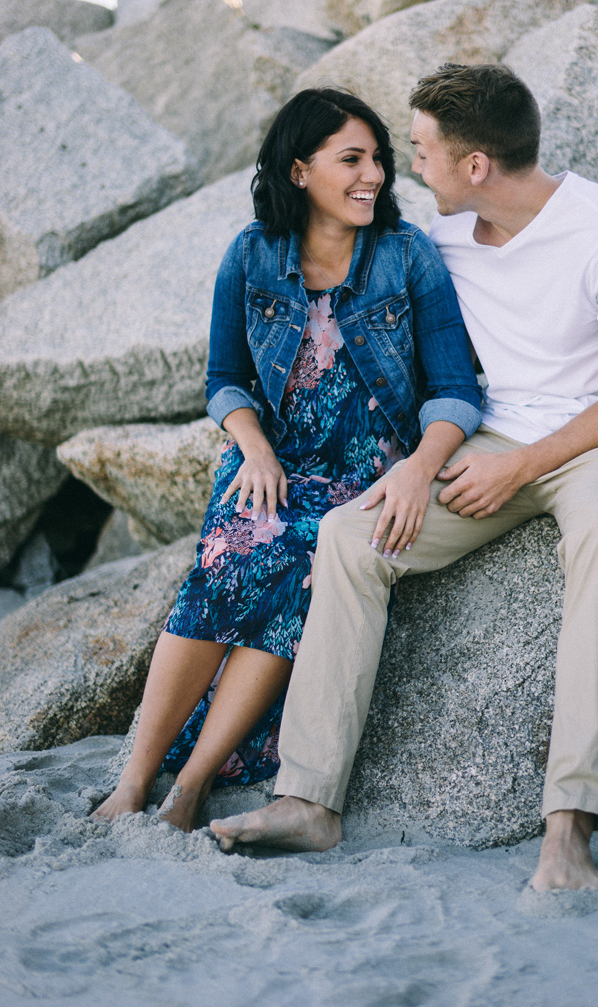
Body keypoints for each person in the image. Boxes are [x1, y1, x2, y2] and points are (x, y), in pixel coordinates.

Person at [209, 64, 598, 893]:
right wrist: (430, 464)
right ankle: (309, 799)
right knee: (353, 536)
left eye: (420, 152)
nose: (404, 171)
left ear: (476, 166)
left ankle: (569, 824)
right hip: (488, 435)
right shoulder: (444, 237)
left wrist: (522, 468)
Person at [92, 87, 482, 832]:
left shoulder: (407, 258)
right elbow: (224, 380)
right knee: (234, 553)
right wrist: (257, 449)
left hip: (365, 477)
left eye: (378, 159)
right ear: (299, 170)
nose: (374, 175)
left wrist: (417, 468)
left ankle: (193, 784)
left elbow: (457, 392)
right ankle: (136, 779)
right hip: (272, 462)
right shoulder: (251, 254)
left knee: (302, 558)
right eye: (351, 159)